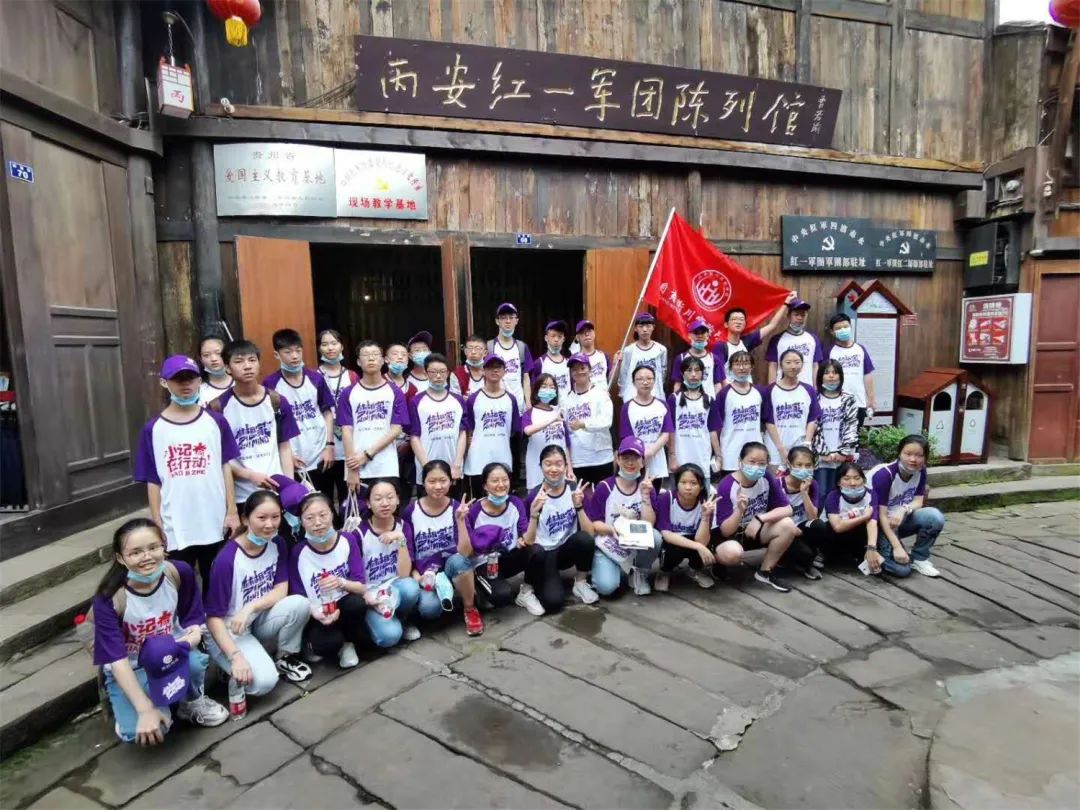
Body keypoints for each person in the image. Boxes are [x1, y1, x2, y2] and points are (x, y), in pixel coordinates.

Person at [89, 518, 228, 745]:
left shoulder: (178, 572)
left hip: (172, 654)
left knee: (194, 662)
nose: (147, 557)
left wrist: (191, 637)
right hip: (132, 666)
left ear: (164, 546)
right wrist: (144, 710)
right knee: (142, 732)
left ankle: (190, 701)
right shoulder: (109, 599)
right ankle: (138, 705)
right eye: (135, 552)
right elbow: (117, 660)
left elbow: (192, 618)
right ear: (120, 558)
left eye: (153, 547)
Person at [134, 355, 241, 593]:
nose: (186, 385)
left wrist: (232, 511)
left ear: (199, 381)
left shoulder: (216, 422)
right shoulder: (153, 429)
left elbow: (225, 466)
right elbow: (152, 480)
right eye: (178, 379)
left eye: (191, 378)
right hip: (176, 523)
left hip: (214, 519)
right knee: (180, 585)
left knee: (216, 583)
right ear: (164, 383)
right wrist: (157, 523)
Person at [204, 491, 312, 717]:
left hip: (254, 618)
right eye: (261, 518)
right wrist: (235, 656)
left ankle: (284, 657)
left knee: (300, 604)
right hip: (228, 630)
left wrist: (250, 607)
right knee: (265, 682)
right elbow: (213, 618)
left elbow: (281, 589)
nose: (269, 524)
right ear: (245, 519)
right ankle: (232, 669)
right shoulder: (227, 559)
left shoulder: (277, 543)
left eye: (275, 517)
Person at [214, 340, 300, 514]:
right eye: (239, 361)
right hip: (241, 497)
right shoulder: (218, 407)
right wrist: (249, 475)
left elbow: (284, 447)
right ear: (227, 368)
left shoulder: (277, 401)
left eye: (252, 360)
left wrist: (288, 486)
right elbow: (218, 458)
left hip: (275, 492)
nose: (247, 366)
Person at [403, 461, 483, 636]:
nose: (438, 486)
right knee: (429, 610)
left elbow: (466, 553)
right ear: (423, 482)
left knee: (458, 561)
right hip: (426, 575)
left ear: (451, 481)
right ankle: (452, 594)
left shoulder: (456, 507)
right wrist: (417, 577)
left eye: (443, 480)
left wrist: (460, 521)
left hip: (452, 566)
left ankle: (470, 608)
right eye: (432, 481)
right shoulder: (411, 511)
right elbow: (408, 552)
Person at [288, 492, 367, 668]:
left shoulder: (347, 540)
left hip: (344, 603)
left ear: (332, 514)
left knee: (356, 604)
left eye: (323, 515)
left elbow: (361, 586)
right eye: (309, 518)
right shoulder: (298, 552)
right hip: (318, 611)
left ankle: (348, 643)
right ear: (301, 522)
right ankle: (311, 642)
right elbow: (297, 594)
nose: (318, 523)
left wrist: (341, 582)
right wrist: (315, 612)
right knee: (326, 645)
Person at [712, 441, 798, 592]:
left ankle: (765, 572)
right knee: (732, 554)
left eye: (762, 463)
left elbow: (788, 508)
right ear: (740, 462)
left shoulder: (766, 477)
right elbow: (725, 531)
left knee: (788, 525)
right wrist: (739, 511)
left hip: (754, 529)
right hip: (730, 535)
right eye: (751, 462)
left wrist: (760, 518)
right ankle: (718, 563)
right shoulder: (727, 484)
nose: (756, 467)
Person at [522, 445, 599, 612]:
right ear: (540, 466)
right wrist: (534, 513)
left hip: (566, 549)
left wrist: (579, 506)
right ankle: (528, 588)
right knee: (553, 602)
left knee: (584, 539)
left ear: (565, 466)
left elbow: (590, 533)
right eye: (548, 464)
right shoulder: (534, 496)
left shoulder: (574, 490)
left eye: (558, 464)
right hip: (545, 554)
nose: (553, 469)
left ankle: (580, 582)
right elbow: (527, 540)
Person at [264, 329, 337, 500]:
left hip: (320, 455)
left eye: (298, 350)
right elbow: (272, 424)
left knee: (325, 503)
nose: (295, 356)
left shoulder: (316, 378)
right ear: (277, 355)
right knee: (299, 504)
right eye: (288, 352)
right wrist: (288, 456)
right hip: (293, 458)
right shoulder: (270, 383)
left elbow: (327, 413)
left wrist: (329, 446)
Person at [587, 437, 663, 597]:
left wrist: (645, 496)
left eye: (635, 458)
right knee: (607, 588)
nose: (630, 463)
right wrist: (613, 530)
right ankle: (602, 568)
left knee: (655, 537)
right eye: (625, 458)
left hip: (635, 542)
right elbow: (595, 524)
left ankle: (639, 572)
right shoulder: (605, 487)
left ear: (642, 462)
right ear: (618, 459)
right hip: (610, 542)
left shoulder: (646, 487)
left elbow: (649, 525)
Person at [465, 462, 543, 615]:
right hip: (484, 564)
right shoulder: (474, 511)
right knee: (501, 596)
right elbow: (467, 550)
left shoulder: (516, 503)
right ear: (485, 486)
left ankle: (526, 593)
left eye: (504, 479)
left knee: (536, 551)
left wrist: (534, 515)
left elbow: (528, 539)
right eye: (495, 481)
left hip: (507, 557)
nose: (501, 485)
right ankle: (479, 588)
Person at [353, 480, 422, 646]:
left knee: (410, 587)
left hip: (395, 587)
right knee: (389, 637)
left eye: (390, 497)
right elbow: (355, 576)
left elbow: (404, 574)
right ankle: (374, 624)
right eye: (378, 499)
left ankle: (402, 619)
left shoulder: (403, 526)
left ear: (398, 500)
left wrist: (400, 539)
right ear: (368, 503)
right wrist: (368, 597)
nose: (385, 503)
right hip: (371, 594)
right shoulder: (358, 534)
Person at [338, 340, 409, 493]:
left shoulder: (395, 392)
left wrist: (367, 454)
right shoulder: (348, 393)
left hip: (386, 465)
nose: (371, 358)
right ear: (358, 361)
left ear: (383, 360)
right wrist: (352, 469)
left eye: (375, 354)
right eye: (366, 355)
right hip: (357, 467)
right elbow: (346, 430)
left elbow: (396, 429)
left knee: (387, 505)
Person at [869, 435, 945, 577]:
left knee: (935, 517)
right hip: (877, 525)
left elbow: (918, 501)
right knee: (902, 570)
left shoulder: (920, 471)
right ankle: (871, 551)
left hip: (899, 520)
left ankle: (919, 558)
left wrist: (903, 510)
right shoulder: (884, 475)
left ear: (925, 457)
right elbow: (881, 516)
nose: (913, 459)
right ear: (899, 453)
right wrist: (897, 546)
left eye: (919, 455)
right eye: (908, 454)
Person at [408, 353, 467, 497]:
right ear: (425, 373)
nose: (438, 376)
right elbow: (414, 437)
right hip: (426, 467)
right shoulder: (416, 401)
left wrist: (457, 464)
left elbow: (462, 433)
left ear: (448, 373)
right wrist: (427, 468)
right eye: (433, 372)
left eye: (442, 372)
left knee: (454, 506)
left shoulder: (458, 400)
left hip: (453, 468)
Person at [463, 354, 520, 498]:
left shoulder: (511, 399)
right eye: (490, 367)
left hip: (503, 459)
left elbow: (514, 432)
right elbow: (469, 430)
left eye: (498, 367)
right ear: (483, 370)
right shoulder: (473, 399)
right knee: (477, 502)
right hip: (477, 461)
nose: (495, 370)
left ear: (504, 371)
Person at [654, 464, 716, 591]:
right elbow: (666, 534)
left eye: (693, 483)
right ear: (677, 484)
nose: (688, 487)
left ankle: (694, 570)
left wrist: (705, 516)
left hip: (694, 539)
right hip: (672, 542)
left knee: (706, 543)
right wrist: (698, 546)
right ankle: (664, 571)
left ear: (701, 486)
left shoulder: (706, 504)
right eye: (683, 482)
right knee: (672, 549)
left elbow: (702, 541)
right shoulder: (666, 499)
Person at [712, 294, 794, 390]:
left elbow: (771, 325)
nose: (738, 322)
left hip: (748, 391)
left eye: (741, 319)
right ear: (726, 324)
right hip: (730, 392)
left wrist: (786, 303)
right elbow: (720, 376)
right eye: (734, 319)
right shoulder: (720, 346)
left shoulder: (746, 341)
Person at [316, 329, 359, 504]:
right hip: (323, 445)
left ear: (341, 346)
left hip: (348, 445)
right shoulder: (314, 376)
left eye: (334, 343)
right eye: (325, 344)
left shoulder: (352, 376)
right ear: (319, 348)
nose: (330, 348)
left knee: (347, 498)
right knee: (324, 497)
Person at [709, 351, 765, 477]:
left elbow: (766, 422)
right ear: (730, 368)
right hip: (730, 455)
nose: (741, 367)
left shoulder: (760, 392)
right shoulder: (724, 394)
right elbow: (716, 427)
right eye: (737, 364)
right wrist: (718, 454)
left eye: (745, 363)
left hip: (755, 454)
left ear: (752, 366)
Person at [763, 349, 821, 472]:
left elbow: (813, 418)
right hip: (775, 448)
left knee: (800, 480)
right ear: (781, 365)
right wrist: (781, 449)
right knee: (776, 481)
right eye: (788, 362)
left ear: (802, 365)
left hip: (800, 446)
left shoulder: (808, 390)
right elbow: (769, 421)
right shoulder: (770, 390)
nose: (793, 366)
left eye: (797, 362)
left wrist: (807, 443)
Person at [563, 353, 615, 486]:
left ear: (589, 369)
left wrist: (583, 424)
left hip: (602, 459)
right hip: (578, 461)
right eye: (574, 369)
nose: (579, 372)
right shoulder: (566, 400)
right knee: (581, 497)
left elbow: (606, 421)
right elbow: (566, 433)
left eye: (582, 368)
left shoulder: (601, 394)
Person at [812, 360, 859, 502]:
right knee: (821, 492)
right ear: (820, 376)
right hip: (821, 458)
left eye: (835, 372)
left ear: (840, 376)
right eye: (827, 373)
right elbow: (812, 427)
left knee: (838, 492)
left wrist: (843, 452)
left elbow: (852, 425)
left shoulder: (848, 399)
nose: (831, 376)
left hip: (842, 456)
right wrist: (824, 453)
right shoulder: (814, 398)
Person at [619, 365, 673, 488]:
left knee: (655, 493)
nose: (645, 382)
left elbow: (666, 433)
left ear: (654, 381)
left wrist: (651, 451)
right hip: (634, 459)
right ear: (634, 382)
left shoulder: (662, 405)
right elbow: (626, 437)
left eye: (649, 378)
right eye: (640, 379)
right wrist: (640, 454)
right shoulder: (627, 407)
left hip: (656, 457)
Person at [778, 447, 826, 580]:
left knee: (819, 526)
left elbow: (813, 517)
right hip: (783, 529)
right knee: (803, 553)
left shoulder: (813, 484)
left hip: (802, 528)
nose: (803, 469)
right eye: (799, 465)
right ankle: (782, 559)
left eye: (808, 465)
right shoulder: (778, 484)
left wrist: (804, 493)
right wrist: (790, 529)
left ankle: (808, 563)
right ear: (789, 465)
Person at [822, 462, 880, 569]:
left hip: (857, 538)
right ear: (838, 482)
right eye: (846, 479)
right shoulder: (833, 496)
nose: (853, 483)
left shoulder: (871, 495)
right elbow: (837, 527)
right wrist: (864, 517)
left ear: (864, 480)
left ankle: (860, 555)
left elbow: (873, 522)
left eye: (857, 478)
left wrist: (871, 548)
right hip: (835, 539)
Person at [522, 373, 573, 490]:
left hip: (559, 471)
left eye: (552, 387)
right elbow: (527, 431)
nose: (548, 390)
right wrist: (552, 420)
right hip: (536, 472)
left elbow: (565, 444)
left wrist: (569, 469)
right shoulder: (530, 413)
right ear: (536, 390)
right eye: (544, 386)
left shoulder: (558, 412)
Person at [668, 356, 714, 486]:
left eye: (697, 370)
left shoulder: (709, 400)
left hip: (702, 455)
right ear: (682, 374)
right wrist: (672, 456)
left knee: (703, 493)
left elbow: (712, 431)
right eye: (689, 370)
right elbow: (670, 431)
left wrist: (719, 456)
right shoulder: (673, 399)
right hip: (680, 456)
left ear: (703, 374)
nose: (693, 374)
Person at [827, 313, 876, 431]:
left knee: (854, 436)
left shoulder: (860, 349)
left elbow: (867, 374)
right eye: (838, 328)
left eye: (845, 326)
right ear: (832, 332)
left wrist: (871, 399)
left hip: (858, 402)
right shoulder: (829, 351)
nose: (843, 330)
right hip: (836, 403)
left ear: (850, 326)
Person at [384, 341, 418, 496]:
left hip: (407, 444)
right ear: (385, 359)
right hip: (384, 441)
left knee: (405, 485)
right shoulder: (381, 383)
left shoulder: (412, 388)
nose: (399, 358)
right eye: (395, 354)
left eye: (403, 355)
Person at [766, 298, 823, 387]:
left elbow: (815, 366)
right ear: (788, 316)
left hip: (807, 389)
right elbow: (773, 366)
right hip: (782, 389)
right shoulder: (777, 339)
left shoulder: (813, 339)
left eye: (803, 315)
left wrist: (815, 389)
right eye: (796, 314)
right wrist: (771, 389)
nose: (800, 318)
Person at [488, 302, 533, 410]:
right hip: (496, 405)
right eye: (503, 318)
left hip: (519, 405)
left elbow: (526, 377)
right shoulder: (489, 347)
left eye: (511, 317)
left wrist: (528, 401)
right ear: (497, 321)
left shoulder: (522, 347)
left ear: (516, 321)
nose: (508, 321)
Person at [616, 312, 667, 402]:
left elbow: (662, 374)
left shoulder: (661, 350)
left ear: (653, 327)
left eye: (648, 326)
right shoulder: (629, 350)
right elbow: (623, 374)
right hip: (633, 395)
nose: (645, 329)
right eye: (641, 326)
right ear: (636, 328)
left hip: (655, 395)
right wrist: (623, 393)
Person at [671, 318, 715, 394]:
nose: (700, 336)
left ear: (708, 335)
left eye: (703, 332)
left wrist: (715, 400)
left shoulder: (714, 358)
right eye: (696, 332)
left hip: (708, 399)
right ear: (689, 335)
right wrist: (676, 398)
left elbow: (718, 384)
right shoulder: (680, 358)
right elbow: (678, 383)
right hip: (686, 399)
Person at [531, 320, 571, 398]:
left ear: (564, 339)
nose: (556, 340)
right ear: (546, 338)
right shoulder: (540, 363)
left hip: (567, 405)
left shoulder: (569, 363)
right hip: (548, 405)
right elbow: (534, 389)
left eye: (559, 336)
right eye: (553, 336)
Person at [573, 319, 611, 388]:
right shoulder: (574, 360)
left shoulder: (603, 356)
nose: (587, 334)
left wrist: (616, 364)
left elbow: (611, 380)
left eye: (589, 331)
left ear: (594, 334)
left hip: (603, 394)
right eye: (582, 332)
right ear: (577, 337)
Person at [198, 335, 233, 405]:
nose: (214, 359)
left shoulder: (240, 382)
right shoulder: (197, 389)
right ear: (200, 359)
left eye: (218, 353)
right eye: (206, 355)